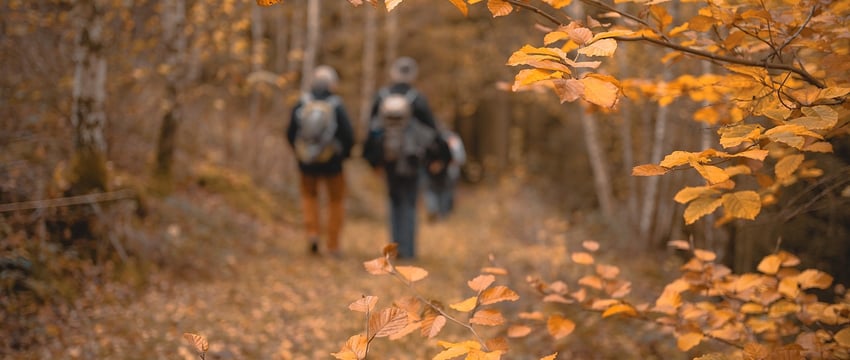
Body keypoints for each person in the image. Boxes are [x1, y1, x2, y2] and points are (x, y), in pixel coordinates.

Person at [363, 57, 450, 259]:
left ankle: (394, 250)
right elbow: (433, 131)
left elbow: (371, 131)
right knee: (410, 203)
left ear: (393, 73)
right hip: (412, 160)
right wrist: (439, 158)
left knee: (393, 202)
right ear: (412, 75)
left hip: (389, 160)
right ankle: (409, 251)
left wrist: (373, 161)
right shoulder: (417, 98)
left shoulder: (382, 97)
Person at [286, 65, 354, 257]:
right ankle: (333, 245)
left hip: (306, 162)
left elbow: (290, 133)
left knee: (309, 197)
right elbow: (348, 135)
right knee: (336, 201)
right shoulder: (336, 104)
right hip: (333, 163)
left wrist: (300, 153)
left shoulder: (302, 102)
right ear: (332, 84)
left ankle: (312, 233)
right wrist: (343, 155)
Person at [424, 128, 466, 220]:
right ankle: (439, 212)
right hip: (441, 173)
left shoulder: (451, 140)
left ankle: (442, 212)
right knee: (439, 192)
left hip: (449, 172)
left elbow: (459, 158)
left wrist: (442, 165)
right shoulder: (432, 140)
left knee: (444, 192)